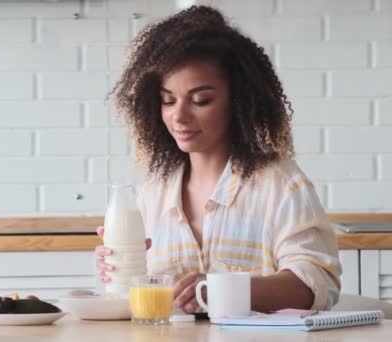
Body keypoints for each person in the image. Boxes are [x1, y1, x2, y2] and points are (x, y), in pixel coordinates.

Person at [95, 5, 341, 314]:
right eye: (168, 101)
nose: (179, 116)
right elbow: (147, 300)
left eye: (201, 100)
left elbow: (318, 284)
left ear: (239, 100)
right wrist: (121, 269)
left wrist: (222, 290)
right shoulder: (152, 195)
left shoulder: (279, 182)